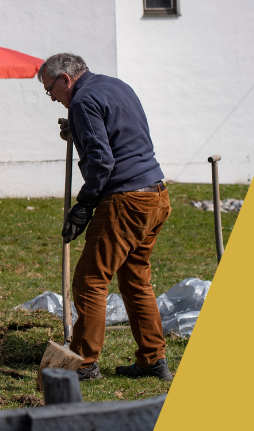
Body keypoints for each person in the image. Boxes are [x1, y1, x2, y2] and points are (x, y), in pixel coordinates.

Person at [38, 53, 173, 381]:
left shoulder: (82, 102)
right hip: (155, 195)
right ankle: (152, 359)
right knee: (134, 278)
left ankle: (83, 363)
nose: (52, 97)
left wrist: (84, 204)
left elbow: (102, 160)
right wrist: (78, 130)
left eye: (50, 90)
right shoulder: (114, 86)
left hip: (126, 200)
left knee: (89, 279)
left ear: (66, 79)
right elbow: (118, 131)